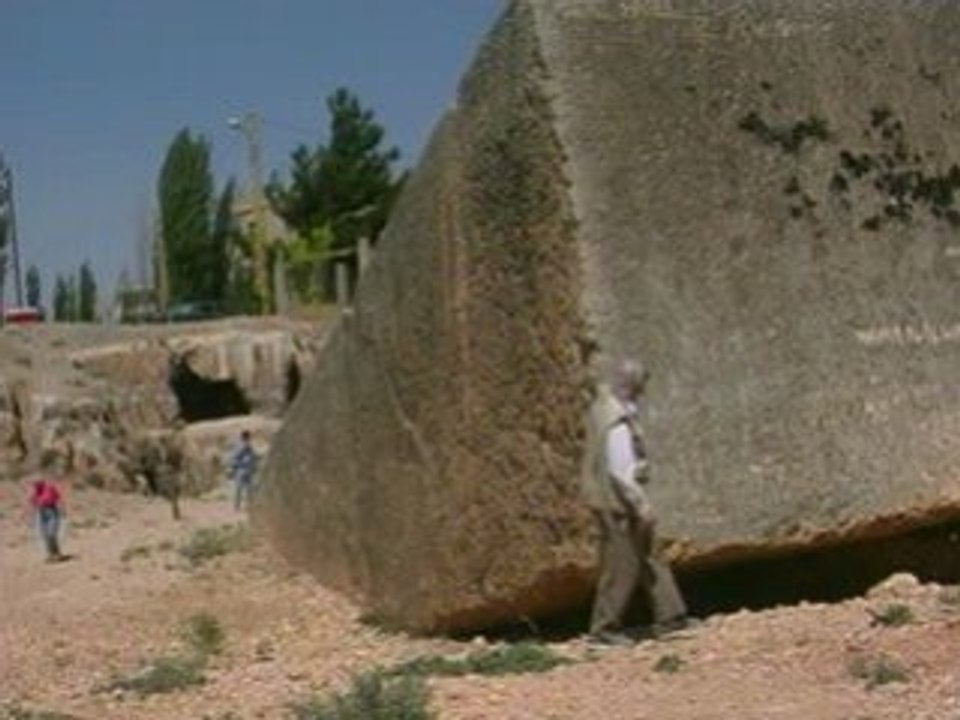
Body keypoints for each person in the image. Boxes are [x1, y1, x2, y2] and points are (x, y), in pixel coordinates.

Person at [580, 359, 689, 645]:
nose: (642, 392)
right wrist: (641, 506)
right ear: (631, 385)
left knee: (650, 553)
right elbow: (620, 471)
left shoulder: (605, 408)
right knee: (622, 562)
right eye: (640, 386)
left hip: (617, 497)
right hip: (617, 501)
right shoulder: (615, 418)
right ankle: (604, 628)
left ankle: (672, 617)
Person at [28, 464, 66, 563]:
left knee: (51, 533)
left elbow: (58, 498)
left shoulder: (49, 487)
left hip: (51, 510)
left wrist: (62, 510)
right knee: (45, 534)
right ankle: (50, 554)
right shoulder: (36, 490)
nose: (35, 484)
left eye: (37, 481)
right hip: (41, 512)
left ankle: (56, 553)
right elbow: (32, 501)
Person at [227, 430, 258, 511]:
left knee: (249, 489)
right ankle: (237, 506)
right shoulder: (240, 446)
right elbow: (235, 458)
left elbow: (253, 458)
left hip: (248, 470)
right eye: (247, 437)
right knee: (239, 489)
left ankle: (249, 506)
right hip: (241, 469)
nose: (248, 439)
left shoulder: (250, 447)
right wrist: (233, 468)